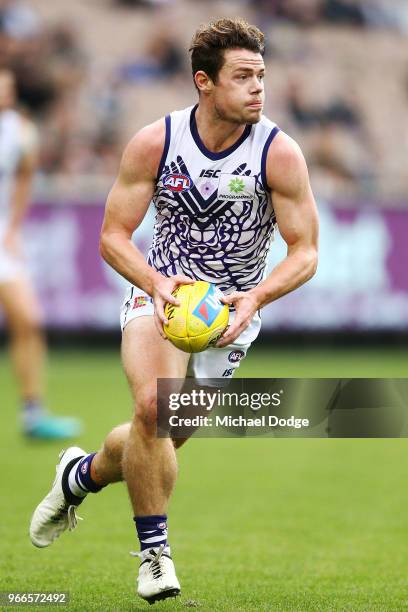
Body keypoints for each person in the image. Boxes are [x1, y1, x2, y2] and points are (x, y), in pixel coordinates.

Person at [29, 18, 319, 603]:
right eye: (243, 77)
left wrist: (256, 297)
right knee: (151, 408)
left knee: (156, 438)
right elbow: (113, 235)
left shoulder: (279, 153)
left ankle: (79, 474)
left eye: (262, 75)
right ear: (204, 82)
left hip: (230, 317)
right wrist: (156, 283)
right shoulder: (156, 142)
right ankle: (155, 556)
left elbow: (306, 251)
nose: (258, 88)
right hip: (160, 297)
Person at [0, 68, 82, 439]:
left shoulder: (20, 131)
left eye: (8, 86)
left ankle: (33, 414)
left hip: (2, 240)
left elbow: (24, 178)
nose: (5, 92)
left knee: (29, 321)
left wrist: (13, 227)